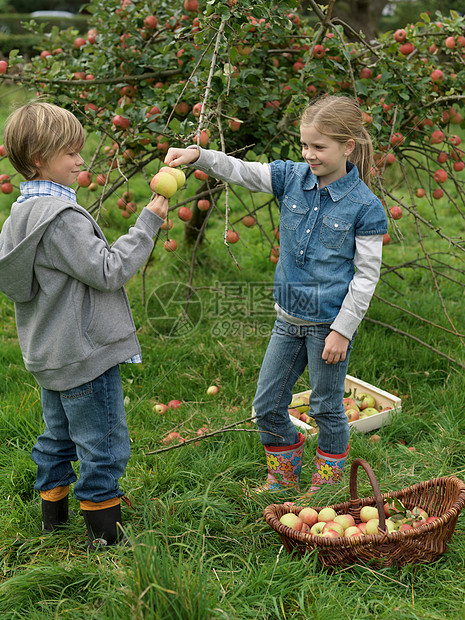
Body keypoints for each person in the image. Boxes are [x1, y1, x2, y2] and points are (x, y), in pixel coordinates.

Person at [164, 95, 388, 502]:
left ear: (348, 147)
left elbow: (366, 277)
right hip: (288, 319)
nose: (309, 154)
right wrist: (198, 155)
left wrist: (342, 330)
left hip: (328, 326)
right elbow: (240, 170)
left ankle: (328, 486)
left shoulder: (366, 208)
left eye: (319, 147)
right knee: (266, 404)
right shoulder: (291, 178)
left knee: (326, 408)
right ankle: (284, 475)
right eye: (305, 145)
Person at [0, 101, 169, 548]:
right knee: (103, 445)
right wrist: (148, 222)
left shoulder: (20, 214)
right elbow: (109, 270)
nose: (80, 160)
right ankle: (105, 539)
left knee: (57, 438)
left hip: (50, 353)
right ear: (40, 158)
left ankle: (51, 521)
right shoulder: (60, 220)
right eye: (71, 153)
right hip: (84, 355)